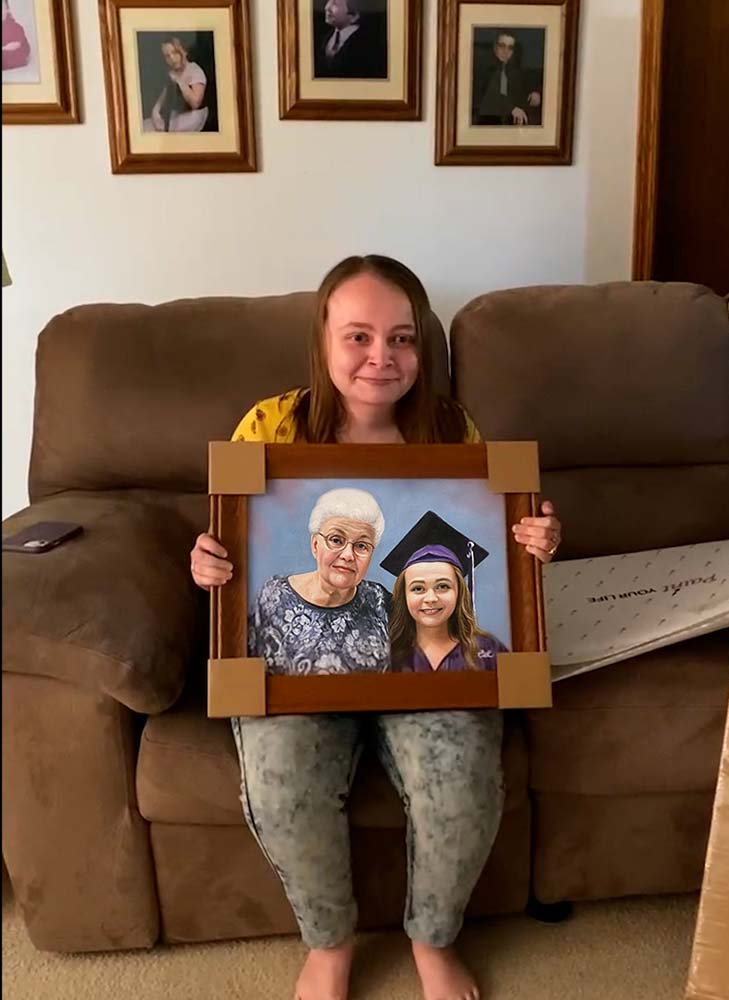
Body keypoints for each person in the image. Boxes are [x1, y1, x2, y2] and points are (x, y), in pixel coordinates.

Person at [190, 254, 562, 1000]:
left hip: (420, 664)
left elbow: (481, 560)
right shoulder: (269, 426)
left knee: (462, 781)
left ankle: (433, 939)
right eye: (358, 336)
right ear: (323, 340)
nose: (381, 357)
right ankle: (329, 945)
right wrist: (208, 561)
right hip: (292, 676)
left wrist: (534, 540)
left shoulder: (451, 428)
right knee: (282, 783)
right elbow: (235, 541)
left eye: (402, 338)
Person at [249, 487, 391, 675]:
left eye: (361, 546)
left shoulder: (380, 600)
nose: (348, 555)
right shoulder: (273, 597)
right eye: (336, 540)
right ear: (315, 545)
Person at [383, 510, 509, 672]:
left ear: (459, 592)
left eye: (443, 586)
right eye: (418, 588)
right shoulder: (386, 656)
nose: (431, 598)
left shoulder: (489, 651)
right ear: (404, 596)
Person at [471, 29, 542, 126]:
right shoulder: (486, 67)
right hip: (485, 120)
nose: (506, 51)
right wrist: (512, 109)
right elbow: (492, 94)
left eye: (510, 48)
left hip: (508, 121)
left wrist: (534, 93)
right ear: (495, 47)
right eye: (502, 46)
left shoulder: (512, 70)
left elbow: (523, 85)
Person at [143, 36, 209, 133]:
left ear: (184, 51)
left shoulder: (194, 71)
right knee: (145, 126)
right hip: (175, 116)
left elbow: (195, 103)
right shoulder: (174, 72)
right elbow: (162, 99)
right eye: (167, 56)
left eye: (175, 53)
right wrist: (155, 111)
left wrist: (179, 80)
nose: (172, 59)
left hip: (192, 117)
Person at [313, 0, 387, 80]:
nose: (326, 7)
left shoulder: (367, 45)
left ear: (354, 16)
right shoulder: (325, 38)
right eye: (328, 2)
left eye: (335, 4)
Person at [2, 0, 31, 72]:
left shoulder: (14, 27)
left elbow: (16, 44)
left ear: (7, 10)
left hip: (13, 52)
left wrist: (4, 48)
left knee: (14, 57)